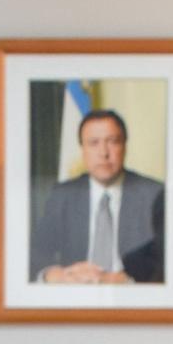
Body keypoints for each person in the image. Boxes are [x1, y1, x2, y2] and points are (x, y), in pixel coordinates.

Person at [29, 106, 165, 284]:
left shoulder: (153, 194)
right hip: (75, 294)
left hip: (132, 295)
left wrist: (126, 279)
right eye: (94, 143)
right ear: (82, 149)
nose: (103, 153)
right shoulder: (63, 195)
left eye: (113, 141)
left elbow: (167, 260)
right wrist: (55, 275)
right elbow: (35, 254)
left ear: (124, 146)